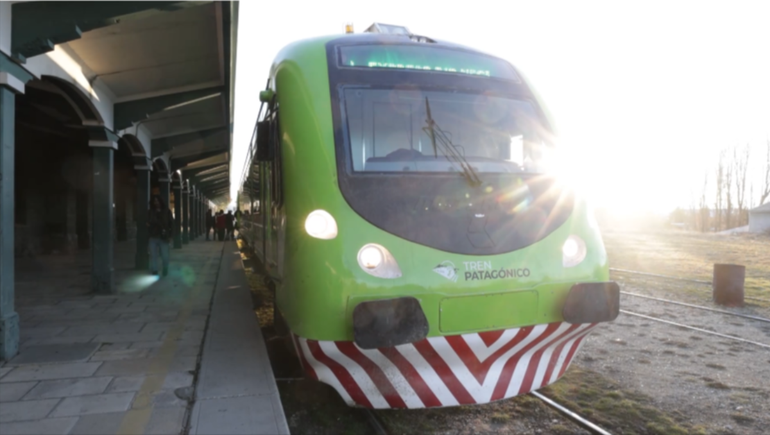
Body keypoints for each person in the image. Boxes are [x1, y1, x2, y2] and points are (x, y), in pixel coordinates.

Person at [147, 195, 173, 276]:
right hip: (153, 236)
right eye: (154, 201)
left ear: (161, 201)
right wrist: (149, 226)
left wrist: (170, 236)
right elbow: (147, 222)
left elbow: (171, 224)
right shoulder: (150, 212)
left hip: (163, 236)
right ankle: (155, 269)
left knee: (165, 255)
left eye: (157, 201)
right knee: (153, 255)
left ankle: (165, 268)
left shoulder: (167, 211)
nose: (156, 203)